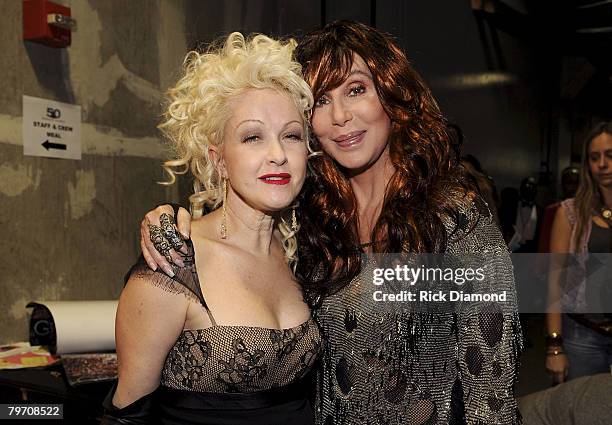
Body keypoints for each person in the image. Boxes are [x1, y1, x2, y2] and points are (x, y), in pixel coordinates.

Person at [139, 21, 522, 424]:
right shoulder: (310, 219)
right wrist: (165, 217)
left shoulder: (452, 221)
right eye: (321, 100)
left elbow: (491, 390)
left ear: (392, 94)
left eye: (356, 90)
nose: (340, 116)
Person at [101, 32, 320, 425]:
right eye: (253, 137)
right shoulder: (172, 264)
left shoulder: (301, 252)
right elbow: (127, 416)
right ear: (219, 160)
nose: (278, 154)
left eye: (292, 135)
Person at [546, 122, 612, 385]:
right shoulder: (570, 213)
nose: (603, 164)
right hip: (583, 336)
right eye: (595, 158)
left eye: (610, 155)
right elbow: (554, 282)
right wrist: (554, 345)